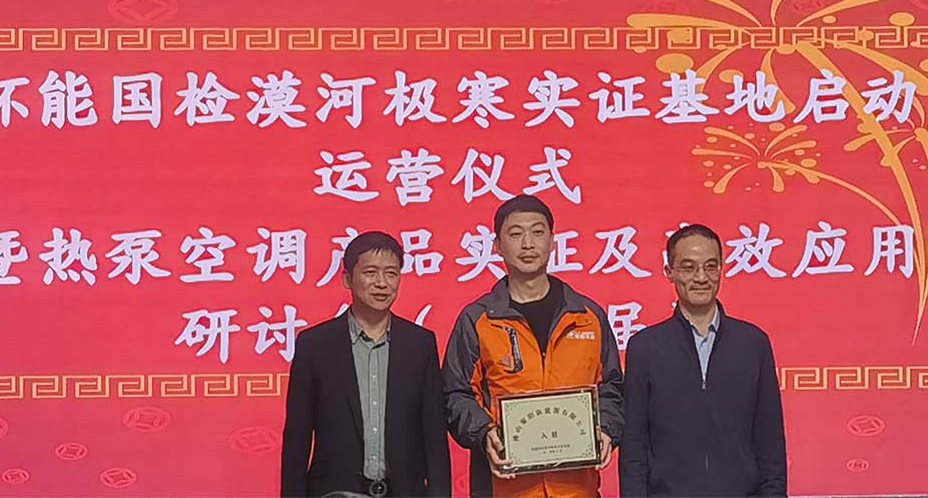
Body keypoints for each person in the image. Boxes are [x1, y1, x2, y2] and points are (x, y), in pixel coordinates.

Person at [443, 194, 624, 498]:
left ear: (553, 241)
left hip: (576, 489)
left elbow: (612, 387)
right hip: (504, 487)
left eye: (538, 232)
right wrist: (485, 433)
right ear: (497, 245)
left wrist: (606, 428)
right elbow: (456, 394)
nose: (528, 244)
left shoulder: (587, 316)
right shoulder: (478, 319)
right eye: (516, 234)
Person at [618, 224, 787, 497]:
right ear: (669, 272)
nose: (701, 277)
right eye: (688, 268)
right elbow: (633, 447)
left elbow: (770, 443)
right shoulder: (645, 347)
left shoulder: (753, 343)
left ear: (721, 270)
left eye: (710, 266)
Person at [281, 231, 451, 498]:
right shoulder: (314, 345)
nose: (382, 283)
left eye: (391, 273)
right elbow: (297, 438)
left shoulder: (420, 344)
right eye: (370, 273)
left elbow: (435, 437)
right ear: (347, 279)